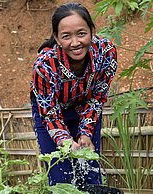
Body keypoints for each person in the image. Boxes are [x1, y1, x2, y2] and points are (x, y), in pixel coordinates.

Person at [30, 2, 117, 186]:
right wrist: (65, 140)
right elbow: (49, 112)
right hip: (50, 114)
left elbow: (97, 97)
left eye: (82, 33)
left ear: (92, 31)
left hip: (86, 108)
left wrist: (86, 133)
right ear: (56, 37)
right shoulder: (45, 64)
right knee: (61, 178)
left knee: (90, 174)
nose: (75, 43)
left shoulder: (106, 53)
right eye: (66, 36)